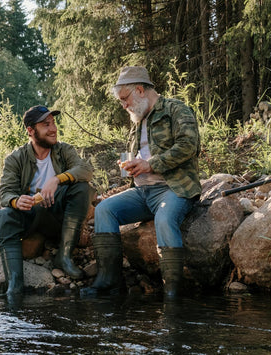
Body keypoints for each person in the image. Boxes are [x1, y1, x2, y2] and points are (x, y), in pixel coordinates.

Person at [81, 66, 201, 298]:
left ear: (140, 90)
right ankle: (109, 282)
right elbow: (141, 161)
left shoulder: (176, 110)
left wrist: (151, 164)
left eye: (124, 99)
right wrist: (131, 167)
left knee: (164, 219)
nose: (124, 105)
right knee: (105, 209)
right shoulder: (137, 123)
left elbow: (189, 146)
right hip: (142, 193)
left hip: (174, 189)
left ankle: (172, 292)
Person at [0, 105, 93, 298]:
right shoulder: (15, 158)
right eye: (46, 124)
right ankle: (14, 287)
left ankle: (63, 257)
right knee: (4, 215)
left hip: (58, 219)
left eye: (53, 123)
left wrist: (57, 179)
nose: (53, 128)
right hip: (29, 217)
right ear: (31, 131)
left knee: (82, 188)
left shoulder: (64, 150)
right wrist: (15, 201)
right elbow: (4, 193)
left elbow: (85, 171)